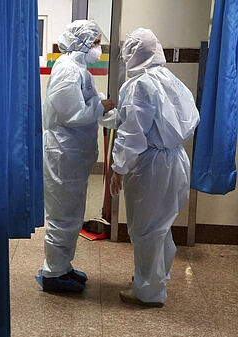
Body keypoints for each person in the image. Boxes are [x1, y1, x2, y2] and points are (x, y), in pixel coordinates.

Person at [110, 28, 200, 307]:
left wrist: (119, 167)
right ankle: (156, 277)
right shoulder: (170, 80)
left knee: (145, 229)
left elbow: (133, 133)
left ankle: (148, 291)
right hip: (175, 160)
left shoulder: (139, 85)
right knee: (161, 225)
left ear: (134, 53)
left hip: (151, 165)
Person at [37, 20, 115, 292]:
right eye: (95, 42)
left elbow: (84, 102)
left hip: (72, 153)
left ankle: (62, 266)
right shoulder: (69, 69)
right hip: (63, 152)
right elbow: (71, 114)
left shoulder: (79, 69)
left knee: (71, 212)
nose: (98, 47)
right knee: (63, 215)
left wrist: (100, 106)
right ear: (83, 42)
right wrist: (99, 106)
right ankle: (53, 274)